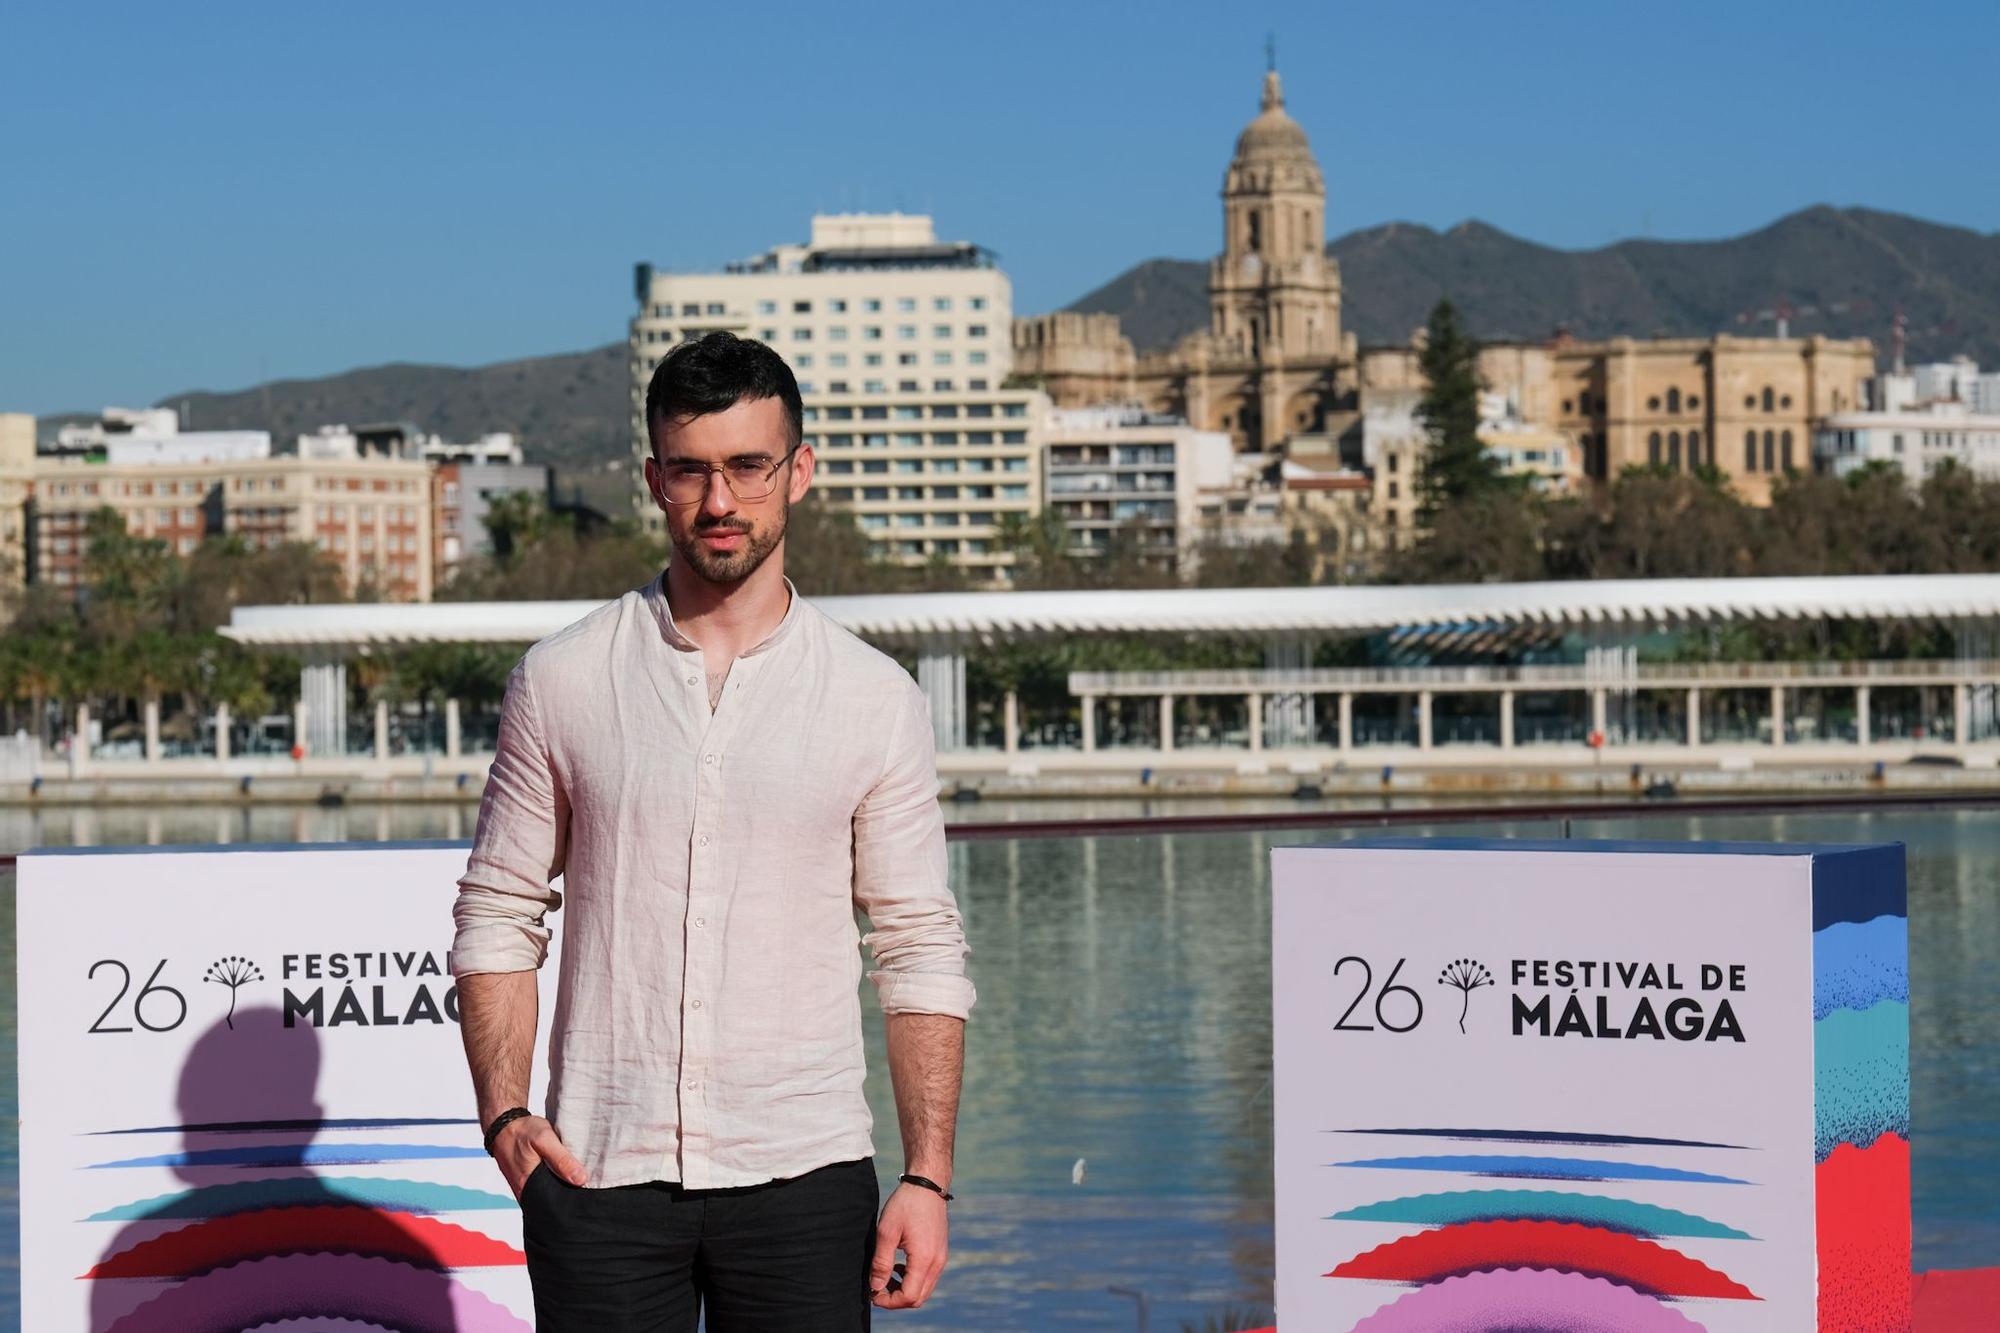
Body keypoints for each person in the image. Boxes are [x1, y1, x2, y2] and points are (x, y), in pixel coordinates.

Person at [448, 331, 975, 1331]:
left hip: (805, 1173)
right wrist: (505, 1118)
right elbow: (498, 911)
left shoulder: (874, 698)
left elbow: (915, 947)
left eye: (746, 466)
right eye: (690, 470)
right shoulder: (562, 678)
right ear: (653, 479)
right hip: (597, 1174)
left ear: (798, 472)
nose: (719, 501)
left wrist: (927, 1176)